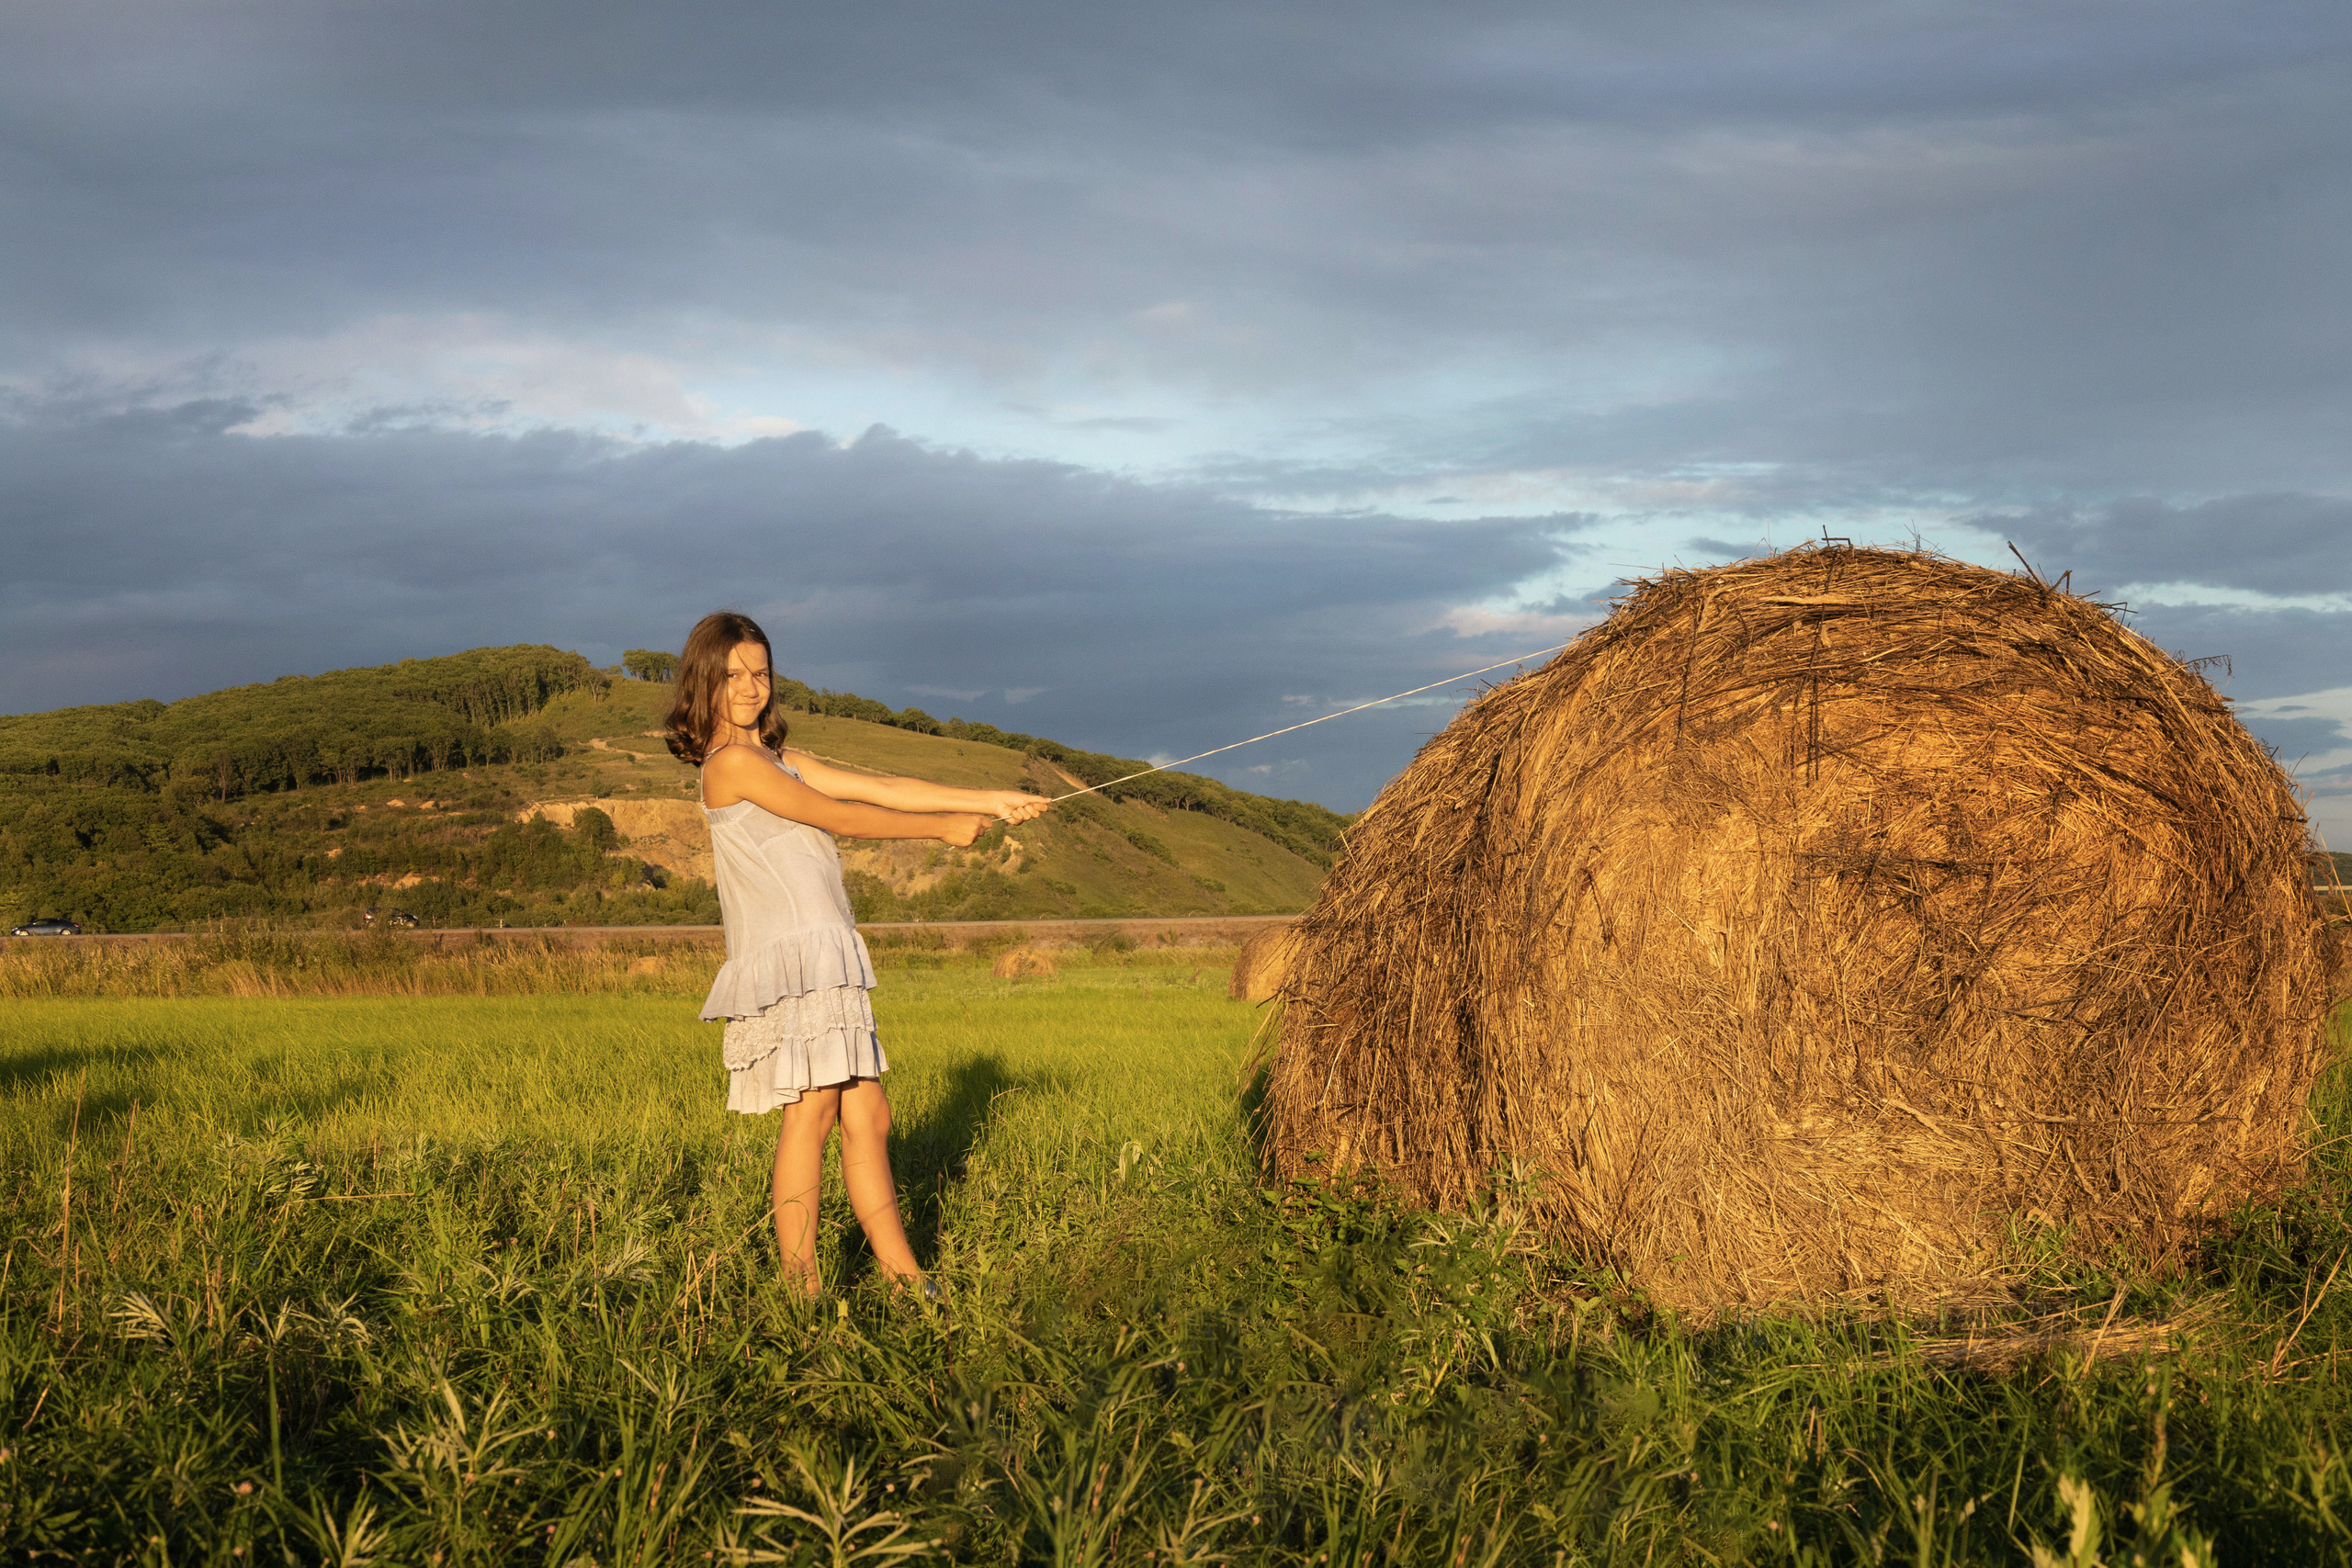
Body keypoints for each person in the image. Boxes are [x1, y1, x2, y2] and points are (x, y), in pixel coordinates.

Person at [664, 610, 1047, 1298]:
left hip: (827, 952)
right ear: (704, 683)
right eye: (733, 675)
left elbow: (882, 787)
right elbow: (836, 816)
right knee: (809, 1114)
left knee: (868, 1113)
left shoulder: (785, 760)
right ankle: (801, 1288)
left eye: (761, 672)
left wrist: (992, 797)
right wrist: (941, 832)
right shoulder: (729, 767)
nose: (751, 687)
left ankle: (905, 1280)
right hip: (793, 958)